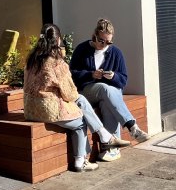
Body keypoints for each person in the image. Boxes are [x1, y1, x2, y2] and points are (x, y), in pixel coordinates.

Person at [24, 23, 127, 172]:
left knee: (81, 101)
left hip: (30, 108)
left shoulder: (31, 60)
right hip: (49, 110)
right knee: (80, 121)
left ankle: (105, 137)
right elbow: (70, 94)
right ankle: (81, 161)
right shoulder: (57, 64)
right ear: (58, 41)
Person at [70, 17, 149, 162]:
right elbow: (71, 75)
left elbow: (123, 80)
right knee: (104, 89)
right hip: (87, 91)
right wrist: (90, 74)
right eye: (102, 41)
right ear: (94, 36)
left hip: (110, 93)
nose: (105, 44)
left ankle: (112, 149)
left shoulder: (116, 53)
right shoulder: (82, 49)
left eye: (109, 42)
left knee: (107, 100)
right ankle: (132, 127)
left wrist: (113, 76)